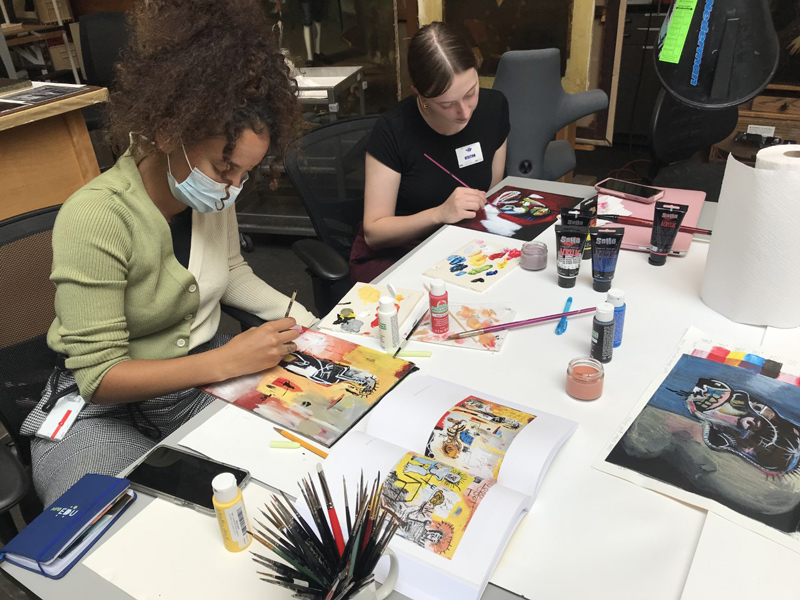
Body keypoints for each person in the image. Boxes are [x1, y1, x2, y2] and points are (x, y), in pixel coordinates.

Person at [20, 0, 315, 506]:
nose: (232, 189)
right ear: (168, 133)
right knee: (108, 528)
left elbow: (229, 272)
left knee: (289, 480)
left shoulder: (205, 191)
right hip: (100, 406)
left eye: (244, 175)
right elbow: (99, 376)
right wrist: (225, 361)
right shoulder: (95, 217)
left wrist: (303, 320)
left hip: (194, 383)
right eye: (226, 171)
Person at [350, 21, 509, 283]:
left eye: (471, 93)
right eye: (447, 104)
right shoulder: (393, 130)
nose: (465, 112)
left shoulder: (494, 109)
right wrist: (440, 214)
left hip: (462, 248)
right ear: (420, 93)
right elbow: (374, 233)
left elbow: (493, 193)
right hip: (399, 254)